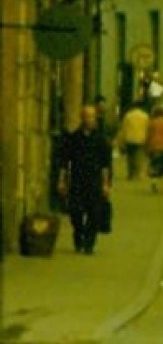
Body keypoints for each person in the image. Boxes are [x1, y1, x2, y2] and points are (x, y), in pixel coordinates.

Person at [56, 103, 113, 255]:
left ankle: (89, 243)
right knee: (75, 212)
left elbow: (106, 164)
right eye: (86, 116)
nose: (89, 119)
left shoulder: (101, 140)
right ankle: (78, 235)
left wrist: (106, 184)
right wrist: (62, 180)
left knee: (94, 213)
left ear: (96, 118)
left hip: (94, 181)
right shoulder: (74, 138)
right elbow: (64, 161)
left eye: (92, 116)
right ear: (82, 118)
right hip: (77, 180)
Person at [117, 100, 150, 180]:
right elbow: (148, 128)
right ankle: (137, 173)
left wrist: (121, 140)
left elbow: (124, 128)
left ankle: (130, 173)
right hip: (141, 139)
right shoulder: (145, 116)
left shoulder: (128, 115)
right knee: (138, 157)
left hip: (130, 138)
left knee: (130, 157)